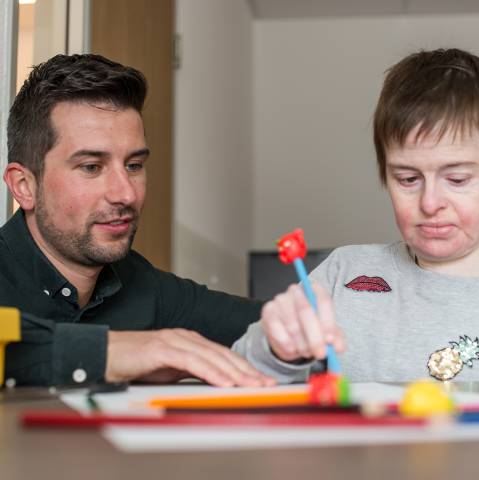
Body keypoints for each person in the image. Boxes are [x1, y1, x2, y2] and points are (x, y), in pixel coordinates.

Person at [3, 53, 334, 387]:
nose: (126, 194)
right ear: (24, 186)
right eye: (91, 167)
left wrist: (294, 331)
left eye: (134, 166)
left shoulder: (147, 288)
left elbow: (264, 326)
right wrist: (115, 352)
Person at [241, 48, 479, 383]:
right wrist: (278, 351)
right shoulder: (345, 274)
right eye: (408, 179)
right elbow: (242, 373)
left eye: (456, 179)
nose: (430, 203)